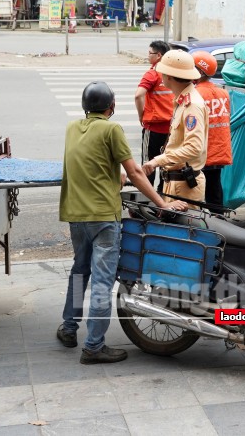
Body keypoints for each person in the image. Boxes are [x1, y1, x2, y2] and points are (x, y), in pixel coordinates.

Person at [57, 81, 184, 363]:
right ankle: (93, 346)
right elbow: (136, 173)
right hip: (103, 217)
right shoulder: (112, 129)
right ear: (111, 108)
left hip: (76, 215)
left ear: (84, 107)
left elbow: (91, 164)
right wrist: (162, 203)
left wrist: (115, 177)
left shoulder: (72, 128)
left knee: (80, 271)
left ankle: (68, 327)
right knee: (102, 280)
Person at [142, 50, 209, 203]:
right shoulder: (182, 100)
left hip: (184, 184)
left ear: (169, 76)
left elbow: (194, 147)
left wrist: (157, 161)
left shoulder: (192, 105)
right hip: (176, 182)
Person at [190, 50, 232, 206]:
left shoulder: (195, 94)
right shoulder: (223, 93)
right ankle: (219, 221)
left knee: (197, 193)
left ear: (199, 72)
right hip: (219, 150)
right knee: (214, 190)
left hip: (202, 152)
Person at [134, 41, 173, 189]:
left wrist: (141, 115)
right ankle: (163, 199)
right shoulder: (173, 74)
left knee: (148, 164)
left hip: (154, 128)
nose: (148, 56)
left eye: (150, 53)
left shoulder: (152, 74)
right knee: (166, 164)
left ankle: (147, 201)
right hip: (171, 129)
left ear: (159, 55)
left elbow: (138, 96)